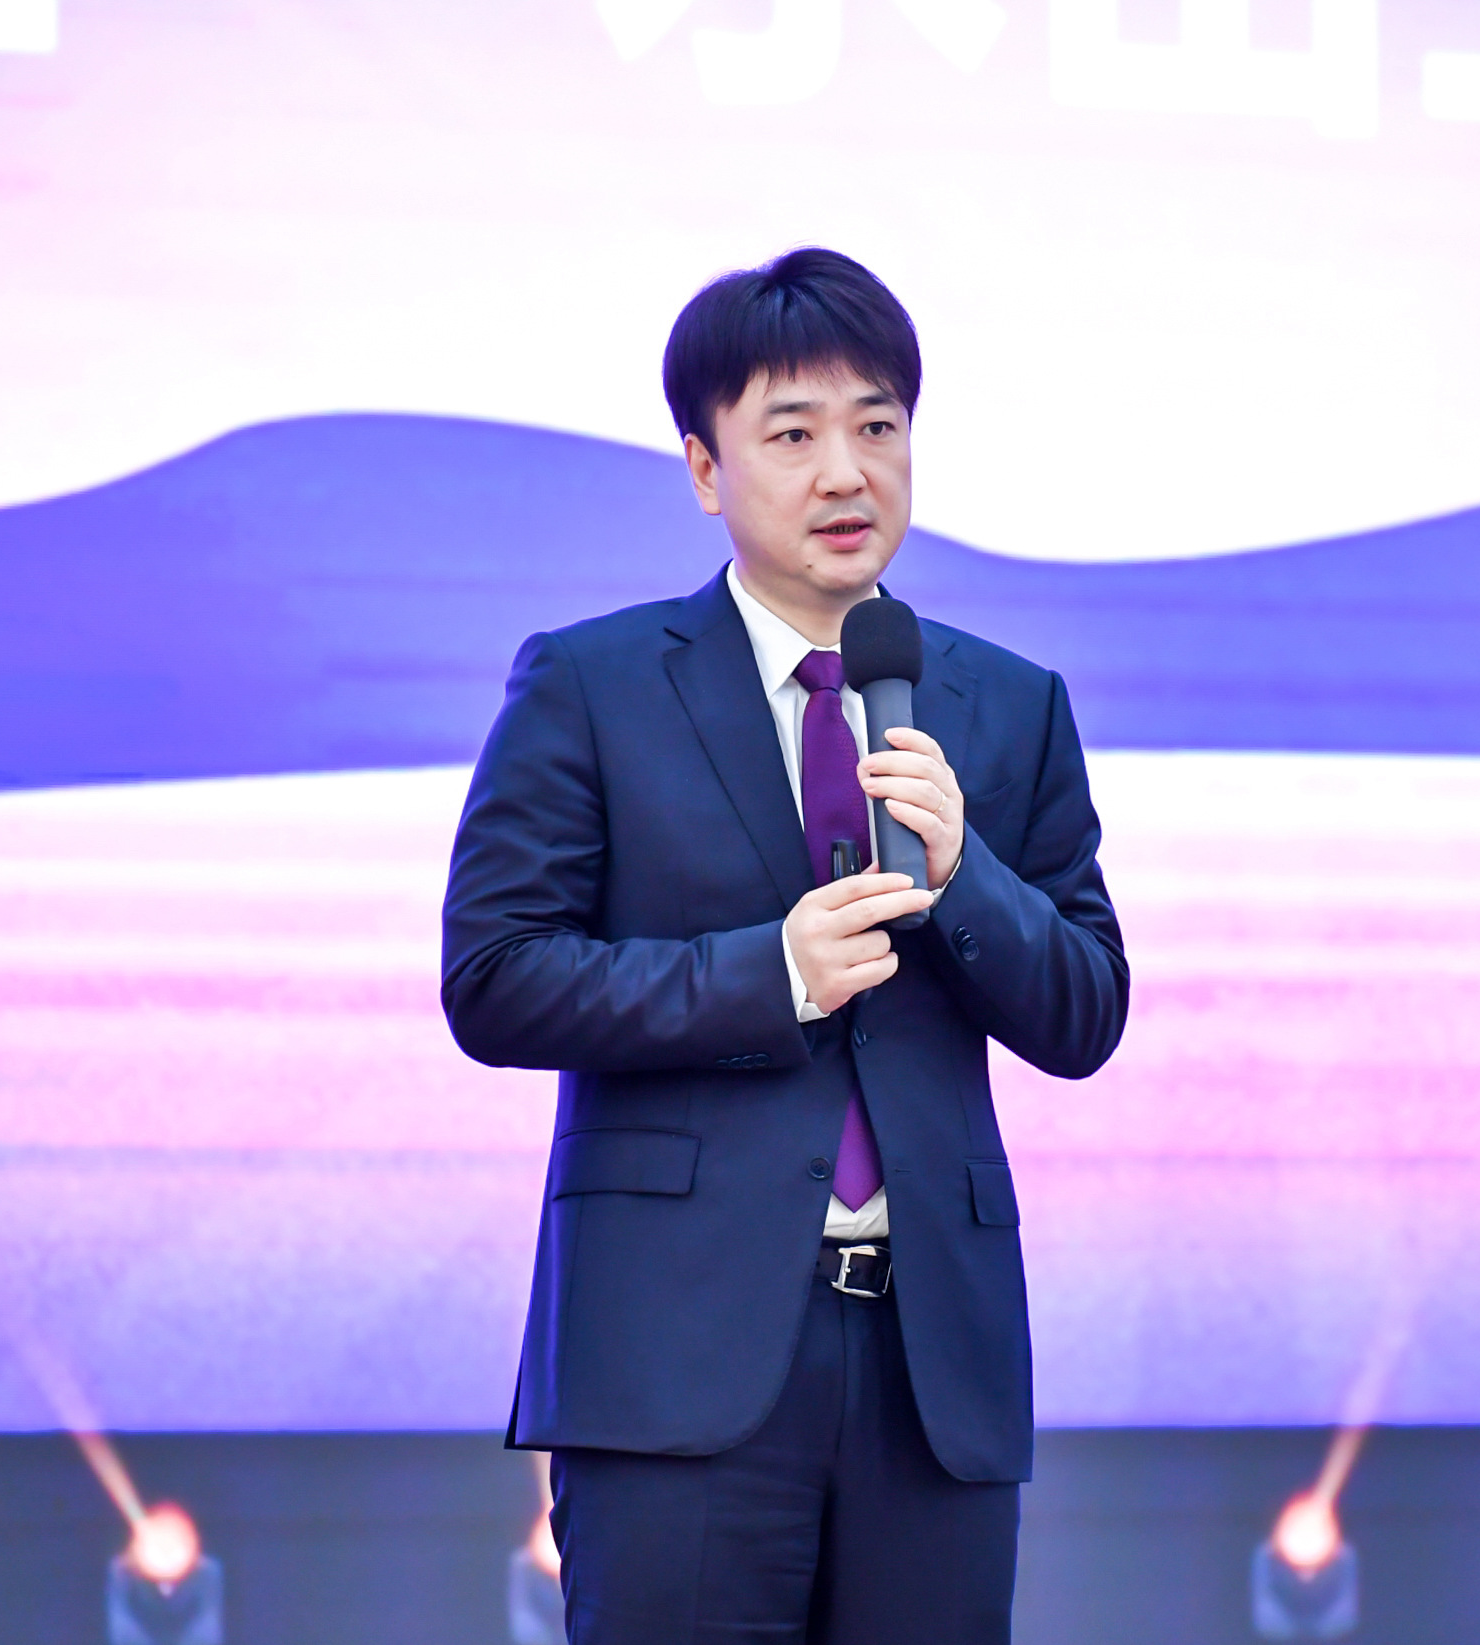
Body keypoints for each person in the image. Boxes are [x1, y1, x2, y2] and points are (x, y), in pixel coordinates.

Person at [440, 247, 1129, 1644]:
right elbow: (496, 977)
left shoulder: (1009, 704)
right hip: (676, 1362)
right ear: (706, 469)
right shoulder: (594, 683)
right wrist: (775, 974)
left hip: (932, 1374)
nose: (847, 473)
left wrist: (967, 875)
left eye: (878, 425)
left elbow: (1086, 1011)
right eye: (794, 434)